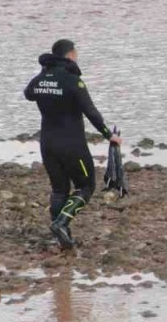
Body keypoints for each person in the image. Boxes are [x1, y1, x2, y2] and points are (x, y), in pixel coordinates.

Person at [24, 39, 121, 249]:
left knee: (59, 189)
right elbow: (91, 111)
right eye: (75, 52)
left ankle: (62, 235)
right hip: (72, 145)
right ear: (70, 55)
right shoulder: (72, 80)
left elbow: (28, 94)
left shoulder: (41, 79)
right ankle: (61, 223)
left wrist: (45, 72)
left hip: (48, 143)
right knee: (86, 186)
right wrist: (108, 135)